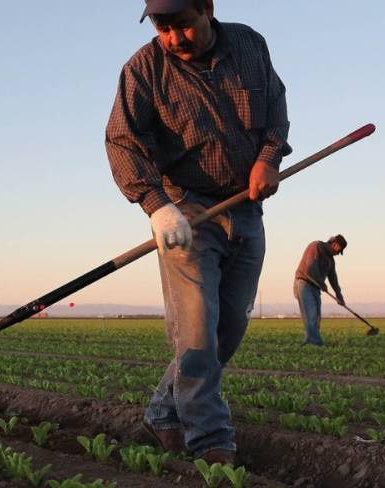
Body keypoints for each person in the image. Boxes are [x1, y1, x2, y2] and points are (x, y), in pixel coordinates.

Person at [105, 0, 291, 464]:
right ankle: (209, 439)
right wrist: (157, 207)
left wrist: (269, 158)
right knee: (196, 332)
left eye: (182, 25)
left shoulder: (249, 45)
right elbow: (122, 141)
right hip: (185, 209)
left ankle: (162, 412)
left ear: (207, 9)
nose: (173, 38)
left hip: (245, 207)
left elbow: (275, 112)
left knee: (228, 329)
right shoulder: (144, 69)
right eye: (163, 28)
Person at [293, 235, 347, 346]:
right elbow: (311, 266)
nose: (338, 253)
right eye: (339, 250)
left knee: (316, 316)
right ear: (334, 244)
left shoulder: (331, 261)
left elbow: (333, 279)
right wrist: (322, 283)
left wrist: (339, 294)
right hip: (304, 283)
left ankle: (309, 340)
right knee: (311, 314)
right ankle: (316, 342)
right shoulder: (316, 246)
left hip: (316, 287)